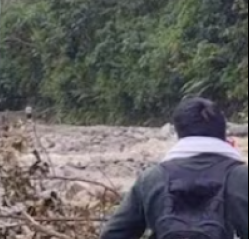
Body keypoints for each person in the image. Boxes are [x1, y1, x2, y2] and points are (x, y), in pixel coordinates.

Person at [101, 98, 246, 239]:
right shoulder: (242, 178)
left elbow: (113, 234)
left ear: (178, 132)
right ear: (223, 133)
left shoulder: (152, 178)